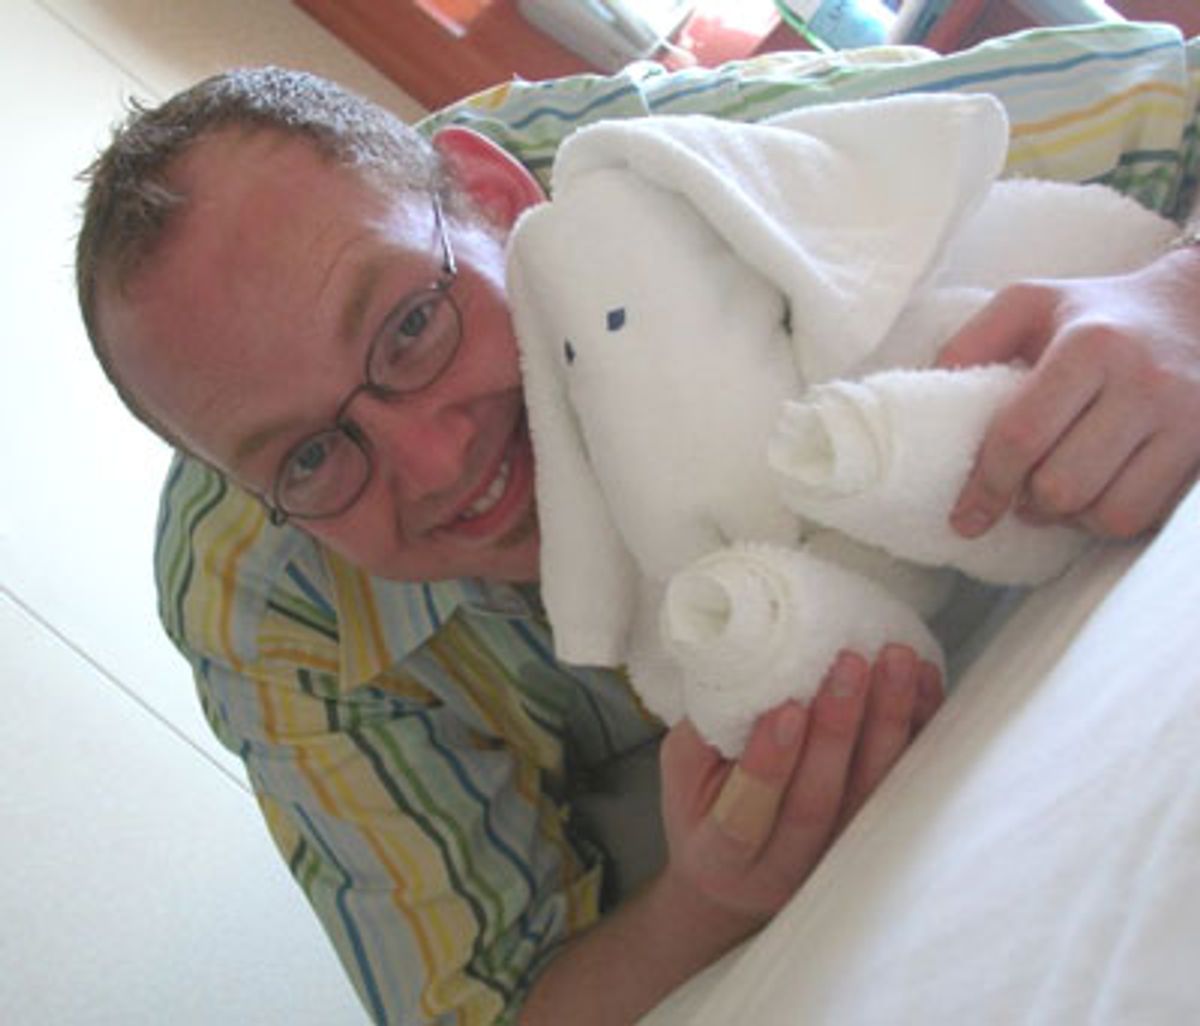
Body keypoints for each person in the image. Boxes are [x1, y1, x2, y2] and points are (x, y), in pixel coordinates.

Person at [75, 26, 1200, 1026]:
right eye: (314, 457)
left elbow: (1170, 94)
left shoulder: (654, 174)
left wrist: (1179, 302)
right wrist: (707, 898)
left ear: (498, 201)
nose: (435, 460)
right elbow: (489, 1004)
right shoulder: (263, 599)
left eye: (413, 324)